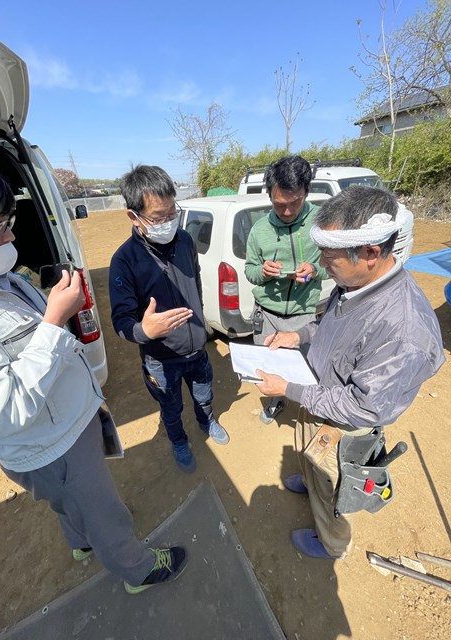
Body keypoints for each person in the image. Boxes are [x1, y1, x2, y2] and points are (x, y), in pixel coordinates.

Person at [0, 152, 186, 594]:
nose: (11, 235)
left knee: (71, 504)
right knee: (105, 513)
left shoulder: (0, 281)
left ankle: (80, 542)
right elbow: (5, 412)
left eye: (10, 221)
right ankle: (139, 570)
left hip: (62, 431)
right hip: (54, 446)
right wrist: (53, 321)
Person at [255, 185, 444, 559]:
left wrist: (288, 389)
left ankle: (333, 543)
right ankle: (311, 481)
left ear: (371, 253)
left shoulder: (405, 331)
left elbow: (362, 407)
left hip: (342, 427)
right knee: (311, 463)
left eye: (330, 257)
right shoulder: (353, 283)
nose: (322, 265)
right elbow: (329, 324)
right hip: (317, 400)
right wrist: (298, 335)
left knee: (332, 488)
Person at [109, 164, 229, 473]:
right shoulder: (124, 261)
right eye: (158, 217)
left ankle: (207, 420)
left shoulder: (185, 240)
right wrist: (143, 331)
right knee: (171, 407)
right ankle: (178, 440)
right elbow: (121, 321)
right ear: (134, 216)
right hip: (161, 359)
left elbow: (196, 282)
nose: (168, 222)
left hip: (197, 349)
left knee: (204, 394)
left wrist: (200, 321)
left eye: (172, 213)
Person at [244, 155, 326, 424]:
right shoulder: (259, 230)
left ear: (307, 191)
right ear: (269, 195)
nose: (287, 212)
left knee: (304, 367)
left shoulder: (322, 222)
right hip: (267, 315)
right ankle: (276, 401)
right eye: (279, 205)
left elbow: (335, 265)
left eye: (295, 203)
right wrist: (263, 273)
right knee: (269, 366)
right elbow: (250, 271)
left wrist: (314, 270)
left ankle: (308, 405)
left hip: (303, 315)